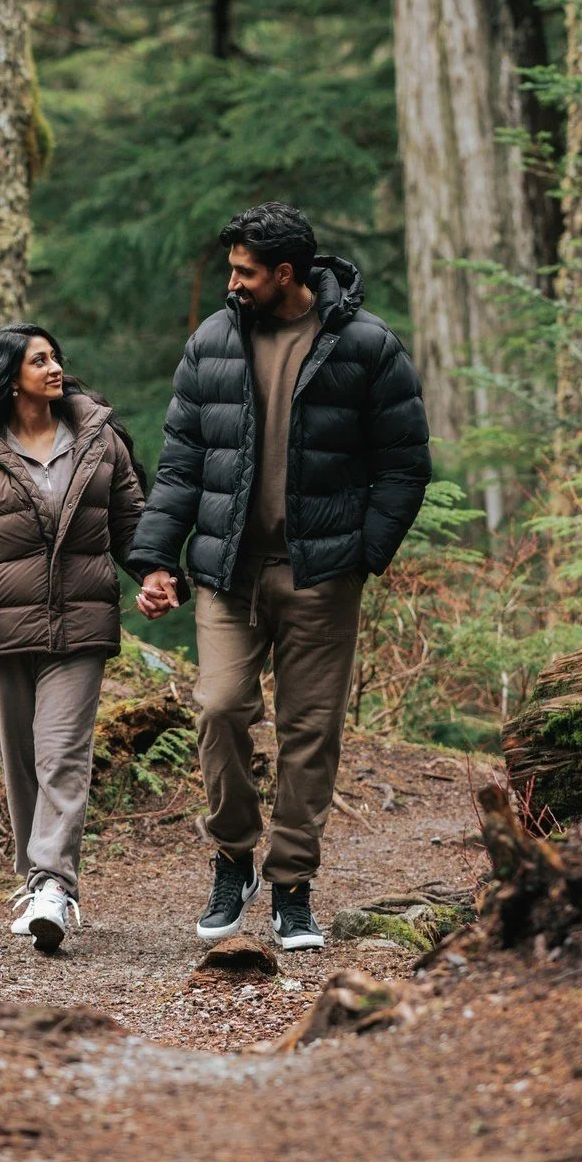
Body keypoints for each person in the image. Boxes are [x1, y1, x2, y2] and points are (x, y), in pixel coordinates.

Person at [130, 204, 430, 951]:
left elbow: (403, 465)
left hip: (320, 575)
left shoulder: (364, 346)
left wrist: (362, 553)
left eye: (244, 272)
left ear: (286, 275)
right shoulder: (211, 343)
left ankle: (292, 884)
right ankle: (234, 857)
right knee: (220, 706)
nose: (232, 282)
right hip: (227, 572)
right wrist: (156, 558)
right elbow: (179, 464)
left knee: (309, 732)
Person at [0, 325, 146, 953]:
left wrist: (157, 574)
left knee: (60, 755)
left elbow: (132, 524)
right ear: (8, 375)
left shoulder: (98, 439)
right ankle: (37, 882)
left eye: (55, 358)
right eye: (38, 360)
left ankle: (53, 885)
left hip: (81, 626)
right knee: (22, 765)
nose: (55, 368)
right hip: (5, 631)